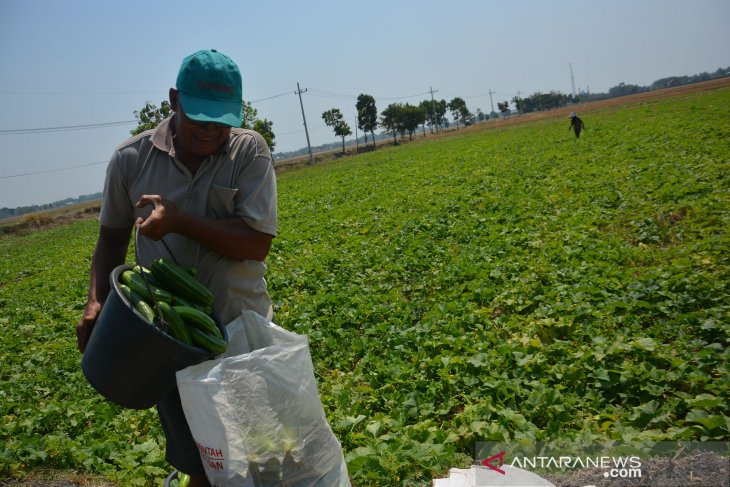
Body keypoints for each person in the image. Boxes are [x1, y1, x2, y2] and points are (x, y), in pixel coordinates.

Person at [76, 49, 278, 487]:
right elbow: (111, 238)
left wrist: (181, 221)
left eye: (221, 120)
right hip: (169, 339)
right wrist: (96, 301)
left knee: (259, 454)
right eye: (200, 117)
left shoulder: (248, 151)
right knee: (200, 461)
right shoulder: (131, 160)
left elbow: (257, 243)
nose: (211, 130)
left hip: (240, 329)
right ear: (174, 100)